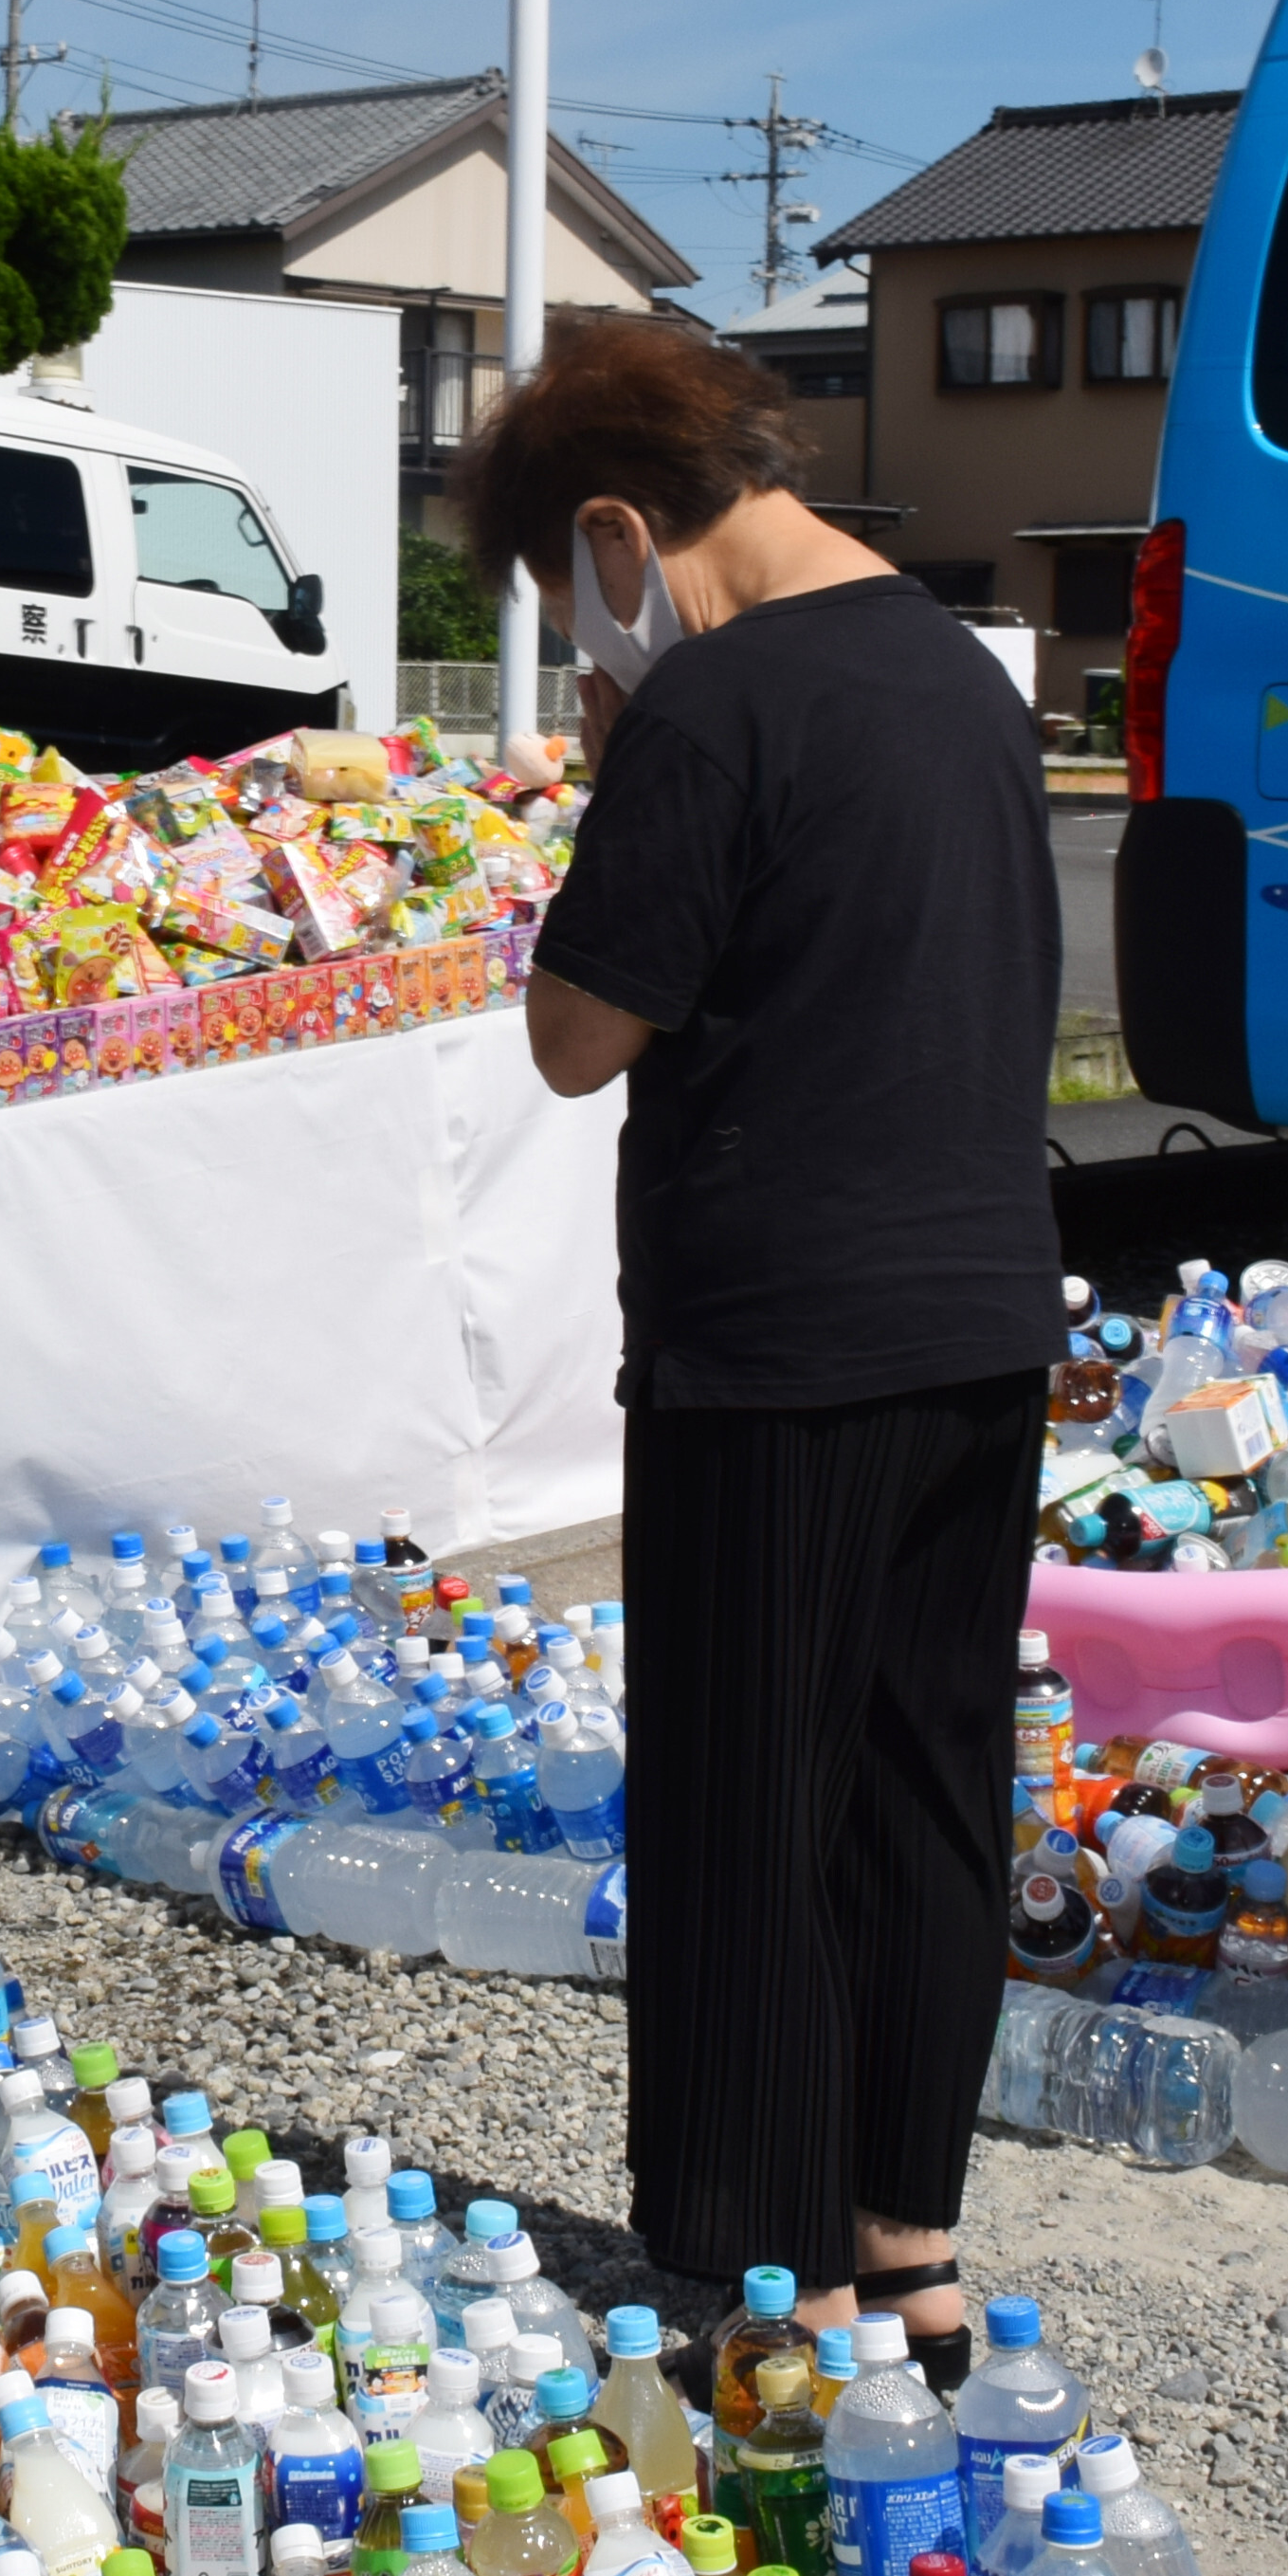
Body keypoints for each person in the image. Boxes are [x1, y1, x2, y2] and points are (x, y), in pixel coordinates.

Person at [458, 312, 1064, 2372]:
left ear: (621, 527)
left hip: (773, 1332)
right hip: (983, 1310)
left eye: (575, 595)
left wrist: (622, 768)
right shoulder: (964, 678)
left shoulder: (714, 705)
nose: (592, 636)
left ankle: (771, 2273)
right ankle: (916, 2243)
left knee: (749, 1799)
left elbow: (571, 1035)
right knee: (925, 1780)